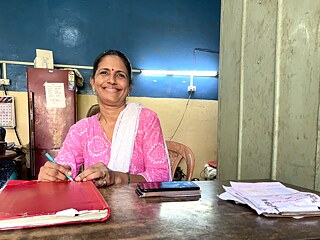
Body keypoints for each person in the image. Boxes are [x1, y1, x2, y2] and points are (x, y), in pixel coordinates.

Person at [38, 50, 171, 187]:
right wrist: (54, 174)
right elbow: (66, 168)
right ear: (93, 83)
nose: (112, 80)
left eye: (120, 75)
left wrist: (117, 177)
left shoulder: (146, 120)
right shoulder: (81, 129)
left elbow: (161, 176)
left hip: (140, 206)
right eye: (104, 73)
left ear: (129, 87)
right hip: (96, 207)